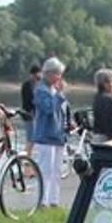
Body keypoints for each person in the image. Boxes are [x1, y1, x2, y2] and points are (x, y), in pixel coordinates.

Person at [29, 57, 69, 207]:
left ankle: (54, 200)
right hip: (45, 135)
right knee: (45, 170)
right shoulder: (40, 90)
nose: (59, 77)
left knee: (57, 171)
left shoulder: (55, 90)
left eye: (60, 74)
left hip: (59, 135)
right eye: (56, 74)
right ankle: (41, 201)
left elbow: (63, 109)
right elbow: (48, 109)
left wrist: (69, 123)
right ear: (47, 73)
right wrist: (58, 95)